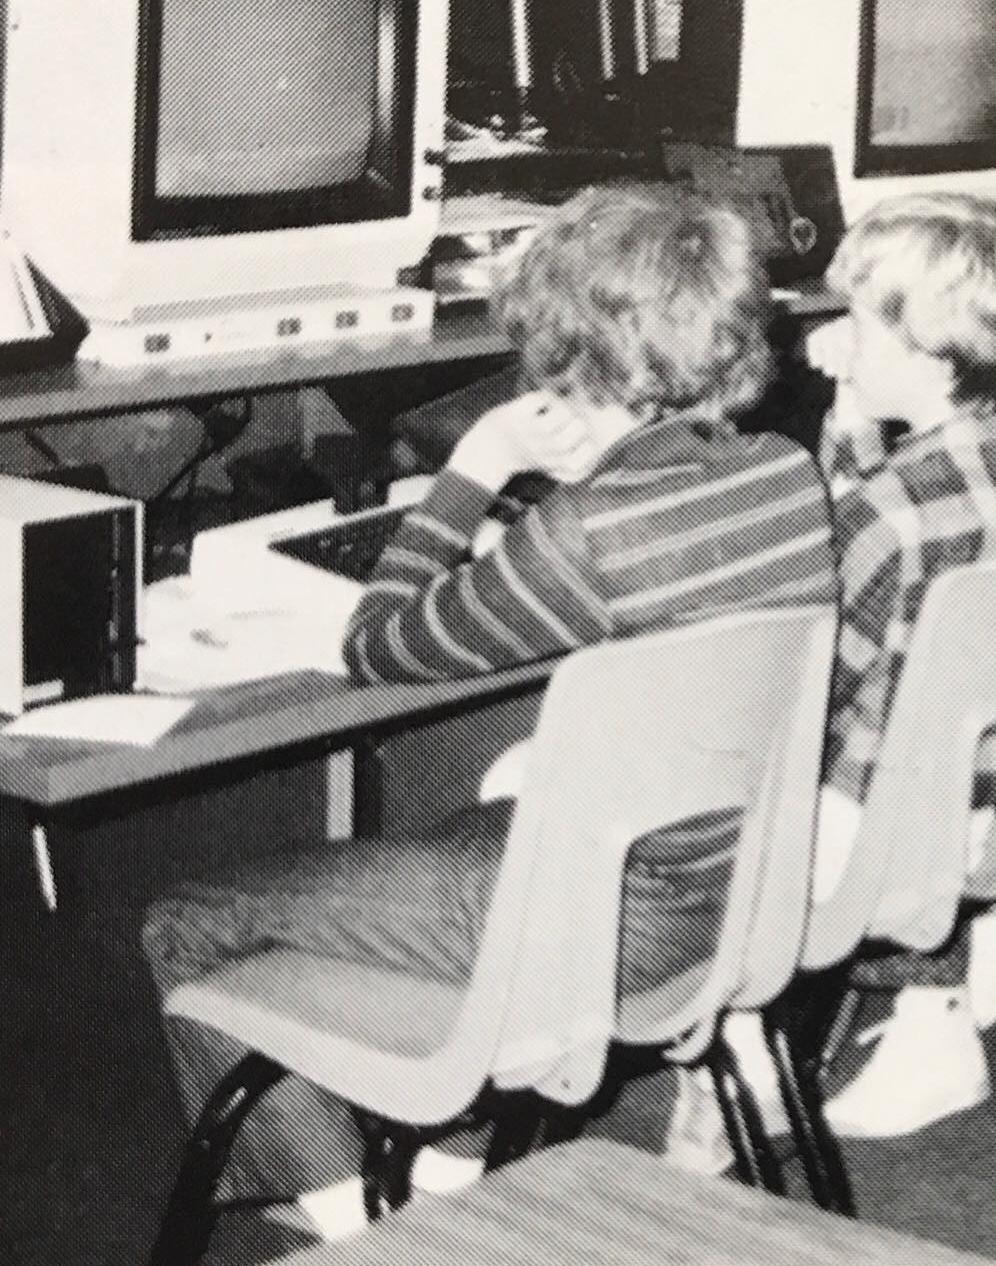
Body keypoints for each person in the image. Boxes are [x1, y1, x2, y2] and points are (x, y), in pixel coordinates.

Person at [139, 183, 838, 1239]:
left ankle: (372, 1228)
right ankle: (446, 1164)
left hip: (609, 920)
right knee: (464, 818)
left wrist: (474, 468)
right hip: (739, 893)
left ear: (570, 353)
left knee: (185, 921)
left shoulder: (586, 530)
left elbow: (379, 644)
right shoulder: (785, 472)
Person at [794, 191, 996, 1141]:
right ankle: (924, 1005)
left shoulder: (890, 514)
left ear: (925, 352)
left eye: (860, 322)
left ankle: (748, 1057)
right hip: (988, 812)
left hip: (877, 836)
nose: (840, 336)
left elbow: (808, 689)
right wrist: (852, 403)